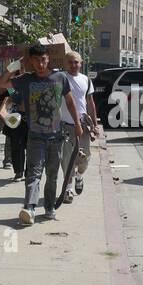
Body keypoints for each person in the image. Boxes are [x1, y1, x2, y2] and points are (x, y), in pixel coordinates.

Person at [3, 44, 81, 225]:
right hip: (35, 135)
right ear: (30, 61)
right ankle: (29, 208)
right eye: (36, 60)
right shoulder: (25, 80)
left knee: (52, 174)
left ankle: (49, 207)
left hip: (56, 136)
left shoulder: (60, 77)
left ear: (49, 59)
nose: (40, 63)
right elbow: (3, 85)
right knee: (34, 174)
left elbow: (69, 102)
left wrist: (77, 124)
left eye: (43, 59)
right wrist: (13, 67)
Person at [59, 51, 98, 204]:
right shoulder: (61, 78)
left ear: (81, 63)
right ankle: (68, 188)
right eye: (70, 62)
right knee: (66, 159)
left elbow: (90, 103)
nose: (73, 65)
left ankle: (79, 177)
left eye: (76, 62)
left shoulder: (86, 80)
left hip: (83, 125)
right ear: (64, 64)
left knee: (85, 157)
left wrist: (95, 125)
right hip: (65, 126)